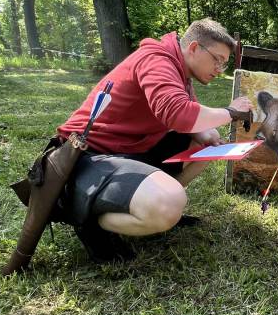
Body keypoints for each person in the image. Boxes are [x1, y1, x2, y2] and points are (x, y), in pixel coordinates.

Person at [55, 18, 253, 262]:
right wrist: (231, 113)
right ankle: (89, 219)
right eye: (218, 60)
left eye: (224, 64)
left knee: (206, 145)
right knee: (169, 203)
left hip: (129, 151)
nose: (219, 69)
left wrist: (205, 134)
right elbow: (177, 113)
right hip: (87, 157)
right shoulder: (157, 59)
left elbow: (185, 118)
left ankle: (149, 205)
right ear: (193, 48)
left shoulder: (181, 74)